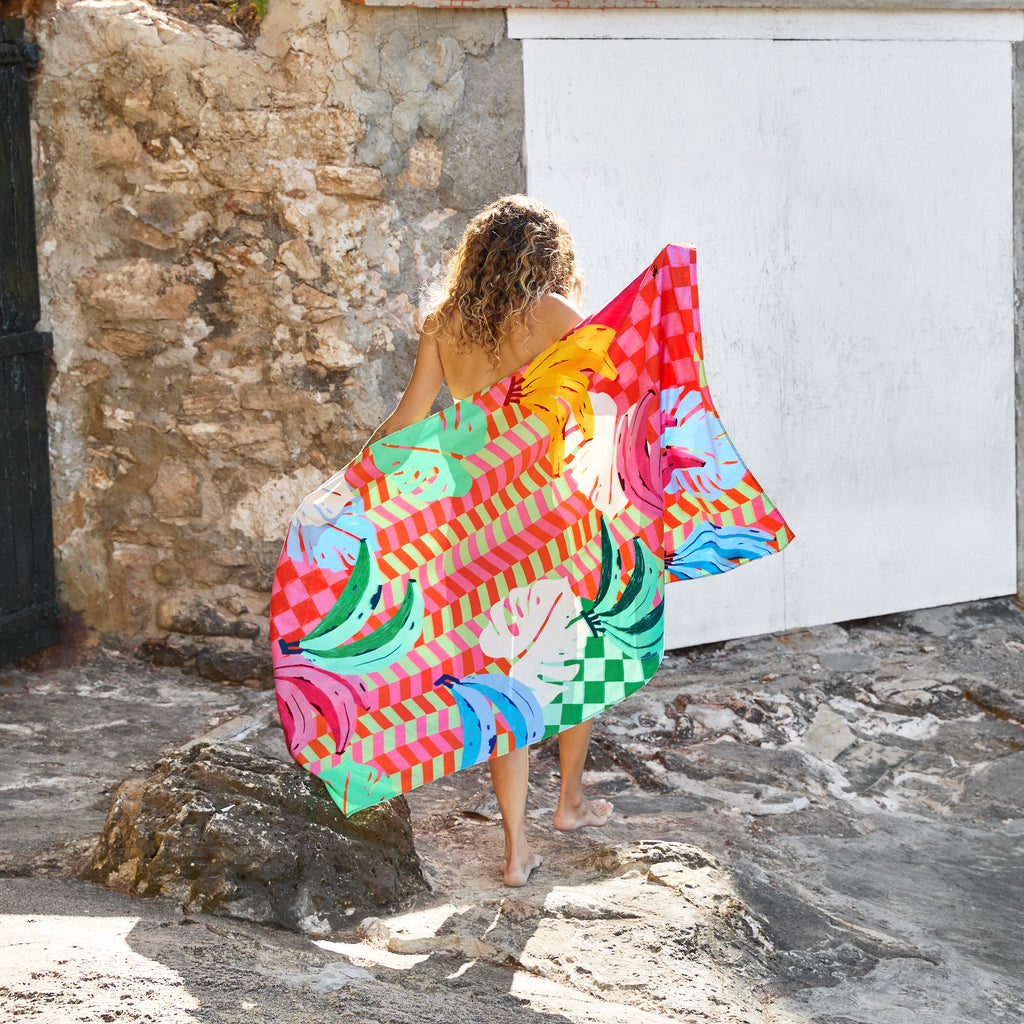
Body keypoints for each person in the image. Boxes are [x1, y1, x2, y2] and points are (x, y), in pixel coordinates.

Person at [368, 195, 613, 887]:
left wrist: (352, 482)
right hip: (547, 515)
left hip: (472, 524)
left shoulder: (444, 324)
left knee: (503, 679)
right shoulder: (554, 313)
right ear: (545, 256)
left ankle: (515, 850)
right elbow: (613, 385)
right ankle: (568, 803)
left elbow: (407, 421)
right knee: (579, 655)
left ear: (475, 257)